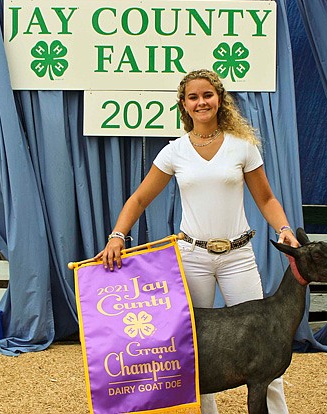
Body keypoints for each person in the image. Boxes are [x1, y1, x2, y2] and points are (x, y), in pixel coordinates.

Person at [97, 69, 299, 413]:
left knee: (267, 345)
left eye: (207, 94)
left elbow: (266, 199)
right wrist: (118, 235)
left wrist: (284, 228)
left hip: (238, 256)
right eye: (193, 97)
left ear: (219, 99)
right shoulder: (174, 152)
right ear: (184, 105)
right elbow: (139, 200)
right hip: (191, 257)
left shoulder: (243, 148)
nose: (201, 102)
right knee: (191, 349)